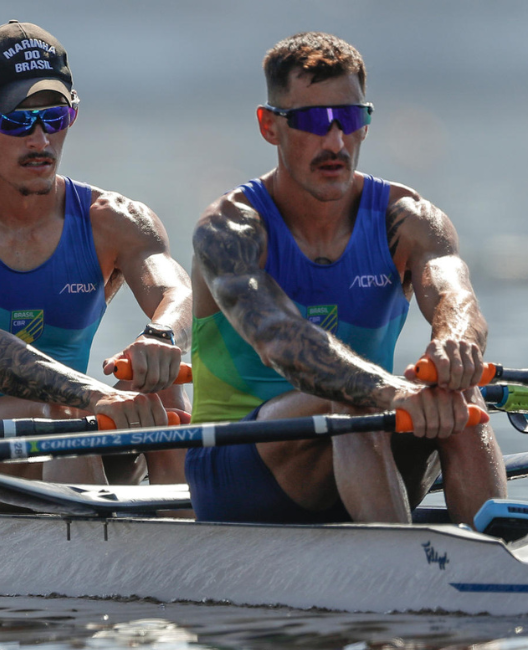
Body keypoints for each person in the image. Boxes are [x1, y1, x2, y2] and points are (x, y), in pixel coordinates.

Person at [187, 32, 506, 526]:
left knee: (458, 392)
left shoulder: (409, 219)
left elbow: (455, 294)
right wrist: (392, 392)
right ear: (270, 126)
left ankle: (498, 551)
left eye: (350, 119)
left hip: (367, 451)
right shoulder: (230, 229)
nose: (335, 141)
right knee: (350, 399)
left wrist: (456, 342)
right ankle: (400, 571)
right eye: (313, 121)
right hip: (241, 470)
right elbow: (281, 341)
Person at [0, 20, 193, 512]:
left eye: (54, 118)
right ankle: (103, 564)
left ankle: (189, 551)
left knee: (164, 385)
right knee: (62, 411)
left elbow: (177, 294)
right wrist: (96, 398)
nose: (39, 139)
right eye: (15, 121)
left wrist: (162, 339)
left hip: (72, 437)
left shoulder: (114, 221)